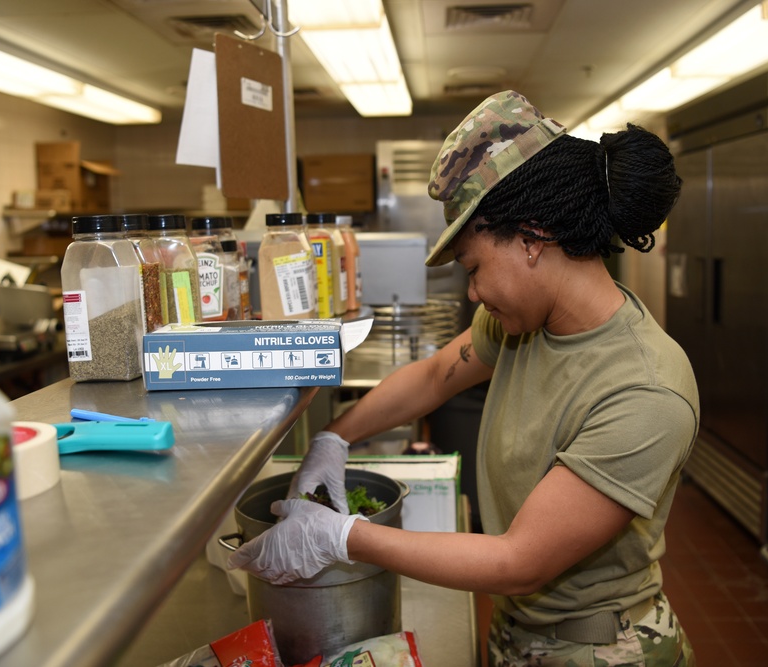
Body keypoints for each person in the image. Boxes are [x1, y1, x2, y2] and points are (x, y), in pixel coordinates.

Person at [228, 90, 699, 666]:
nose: (473, 292)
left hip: (599, 649)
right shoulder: (524, 324)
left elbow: (520, 560)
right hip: (517, 627)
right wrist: (335, 437)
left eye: (474, 268)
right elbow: (431, 378)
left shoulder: (645, 390)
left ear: (532, 238)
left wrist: (338, 536)